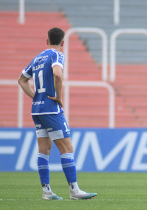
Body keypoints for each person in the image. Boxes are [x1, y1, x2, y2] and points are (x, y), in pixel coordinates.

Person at [18, 27, 97, 200]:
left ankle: (46, 191)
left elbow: (22, 80)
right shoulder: (57, 55)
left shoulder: (37, 58)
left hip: (37, 110)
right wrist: (58, 97)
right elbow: (57, 74)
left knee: (44, 150)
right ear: (62, 43)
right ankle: (74, 191)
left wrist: (35, 96)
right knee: (67, 148)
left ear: (46, 41)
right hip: (51, 108)